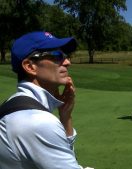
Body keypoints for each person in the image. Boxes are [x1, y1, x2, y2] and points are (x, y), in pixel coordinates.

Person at [0, 31, 92, 169]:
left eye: (66, 56)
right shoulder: (38, 122)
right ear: (30, 67)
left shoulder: (12, 104)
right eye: (57, 55)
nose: (67, 62)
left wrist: (65, 117)